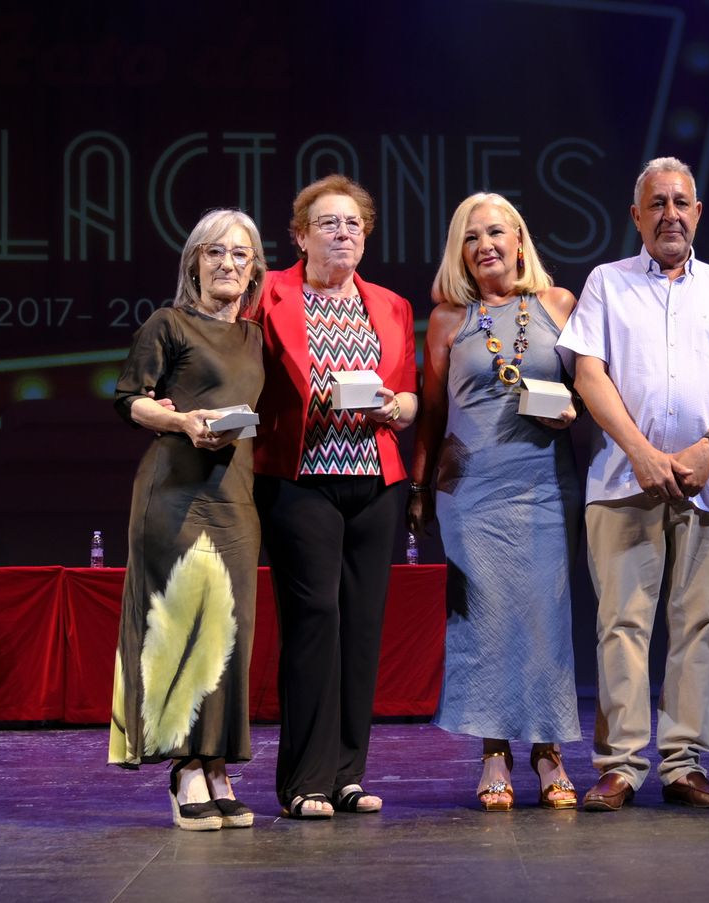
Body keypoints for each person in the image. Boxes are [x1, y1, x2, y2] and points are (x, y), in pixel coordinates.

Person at [557, 158, 709, 811]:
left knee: (697, 623)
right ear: (636, 216)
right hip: (625, 482)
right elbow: (590, 375)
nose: (669, 214)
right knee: (620, 623)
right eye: (656, 203)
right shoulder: (607, 282)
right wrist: (642, 453)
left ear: (698, 212)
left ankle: (683, 764)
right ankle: (622, 766)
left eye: (680, 202)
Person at [249, 175, 418, 818]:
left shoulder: (392, 305)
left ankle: (348, 774)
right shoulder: (270, 294)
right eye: (328, 223)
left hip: (374, 479)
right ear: (299, 235)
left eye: (353, 223)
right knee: (314, 620)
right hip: (302, 477)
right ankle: (304, 781)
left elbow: (406, 393)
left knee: (363, 625)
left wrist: (400, 406)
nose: (343, 233)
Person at [409, 193, 581, 811]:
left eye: (496, 233)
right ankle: (494, 751)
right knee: (482, 620)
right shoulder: (448, 320)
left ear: (519, 241)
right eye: (472, 236)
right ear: (461, 251)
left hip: (543, 483)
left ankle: (548, 749)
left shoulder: (559, 305)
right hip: (471, 491)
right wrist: (420, 485)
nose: (486, 245)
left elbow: (589, 389)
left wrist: (574, 412)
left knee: (544, 616)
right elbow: (431, 412)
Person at [107, 209, 267, 831]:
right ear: (194, 262)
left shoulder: (257, 336)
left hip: (236, 497)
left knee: (231, 633)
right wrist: (180, 421)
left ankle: (220, 761)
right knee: (183, 626)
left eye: (241, 255)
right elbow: (130, 399)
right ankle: (186, 768)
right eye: (215, 253)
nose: (228, 263)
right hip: (174, 493)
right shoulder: (167, 324)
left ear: (255, 269)